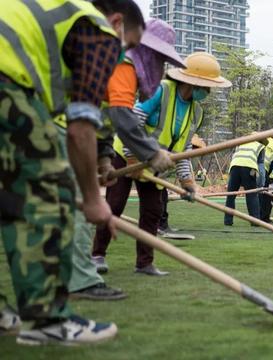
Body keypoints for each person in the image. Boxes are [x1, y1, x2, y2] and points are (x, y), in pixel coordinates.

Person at [0, 0, 144, 345]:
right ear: (117, 22)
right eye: (131, 44)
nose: (125, 53)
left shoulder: (52, 13)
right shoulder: (97, 29)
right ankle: (48, 319)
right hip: (7, 83)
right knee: (48, 193)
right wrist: (93, 201)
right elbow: (82, 127)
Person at [68, 18, 184, 301]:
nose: (159, 66)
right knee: (83, 208)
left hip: (87, 135)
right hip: (66, 131)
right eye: (158, 58)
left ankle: (83, 275)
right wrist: (151, 153)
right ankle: (82, 276)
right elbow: (121, 114)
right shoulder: (125, 64)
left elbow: (104, 112)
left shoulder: (123, 67)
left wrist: (104, 158)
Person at [94, 52, 229, 275]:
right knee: (114, 205)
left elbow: (183, 149)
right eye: (206, 86)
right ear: (193, 81)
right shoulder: (161, 90)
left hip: (155, 163)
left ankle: (144, 263)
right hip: (125, 155)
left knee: (153, 211)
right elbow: (133, 121)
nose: (208, 91)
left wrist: (187, 182)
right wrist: (133, 157)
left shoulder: (197, 111)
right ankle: (97, 255)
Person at [224, 134, 268, 226]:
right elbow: (261, 167)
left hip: (234, 167)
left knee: (230, 195)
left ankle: (228, 221)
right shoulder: (260, 146)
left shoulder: (241, 143)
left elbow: (235, 158)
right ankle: (255, 221)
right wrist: (261, 185)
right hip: (249, 168)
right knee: (251, 195)